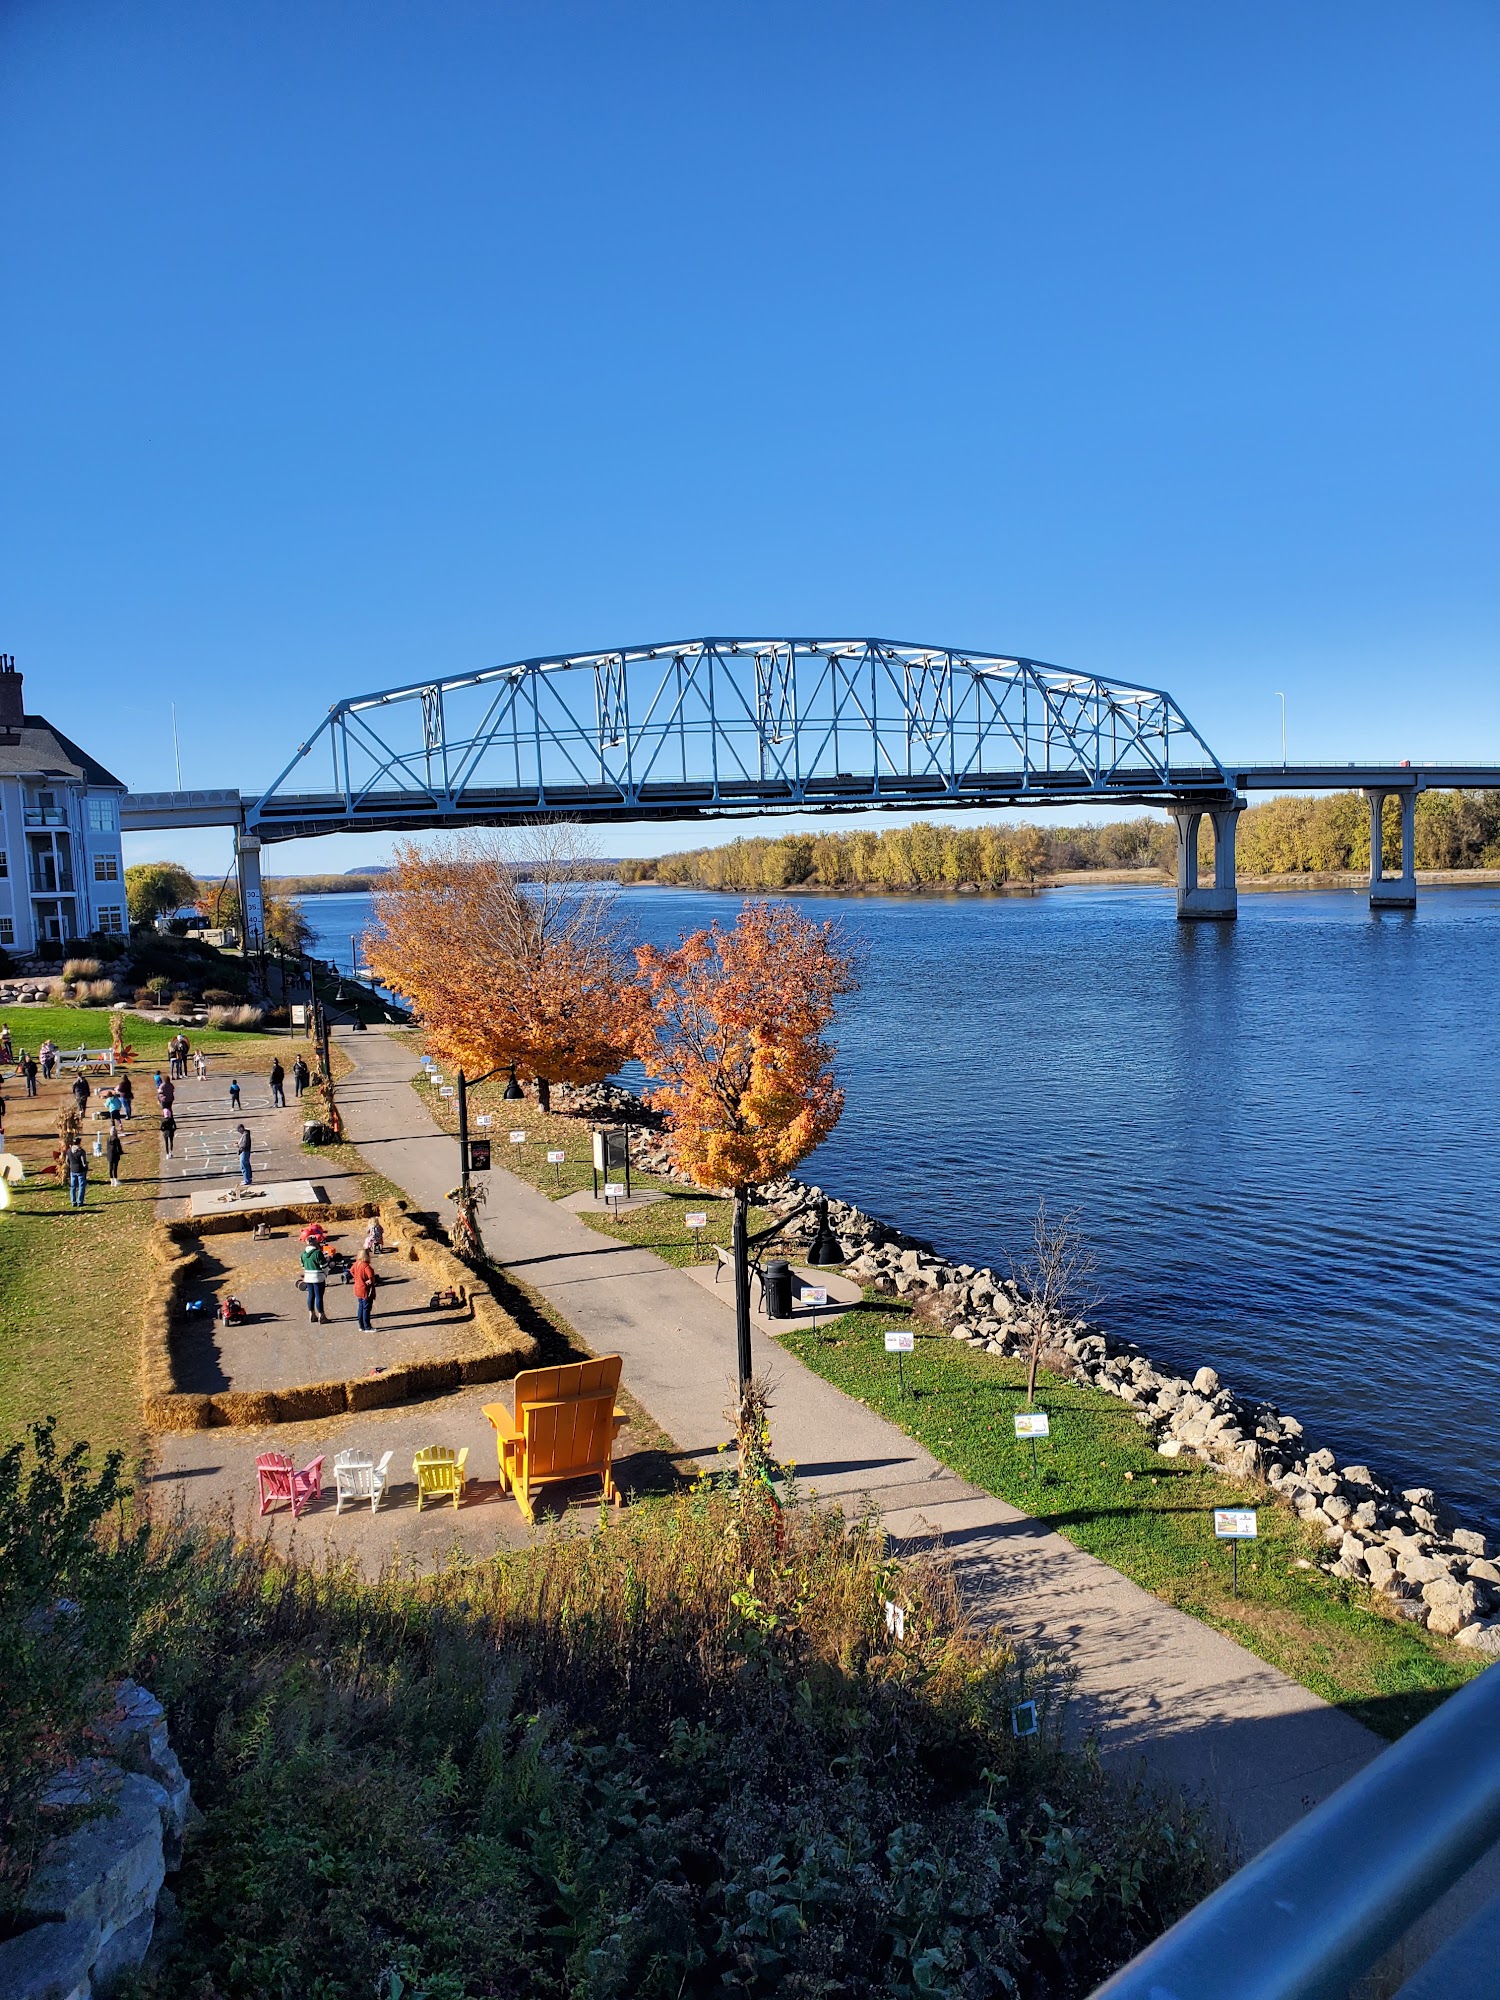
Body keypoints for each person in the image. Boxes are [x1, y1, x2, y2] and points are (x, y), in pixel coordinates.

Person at [300, 1239, 329, 1324]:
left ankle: (312, 1314)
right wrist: (325, 1274)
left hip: (308, 1277)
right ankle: (321, 1315)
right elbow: (324, 1266)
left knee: (311, 1295)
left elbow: (303, 1265)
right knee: (319, 1296)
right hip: (318, 1277)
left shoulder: (303, 1254)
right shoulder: (317, 1253)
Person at [350, 1249, 377, 1332]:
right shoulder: (366, 1266)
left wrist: (356, 1278)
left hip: (358, 1288)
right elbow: (371, 1276)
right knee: (366, 1308)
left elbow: (351, 1271)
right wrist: (370, 1281)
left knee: (361, 1307)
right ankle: (367, 1327)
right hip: (365, 1289)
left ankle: (361, 1326)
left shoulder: (356, 1264)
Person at [64, 1136, 88, 1209]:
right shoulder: (81, 1151)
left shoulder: (69, 1151)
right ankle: (80, 1202)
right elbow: (84, 1163)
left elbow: (67, 1161)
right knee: (81, 1186)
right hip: (80, 1170)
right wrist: (86, 1167)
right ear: (79, 1143)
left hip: (73, 1170)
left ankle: (73, 1201)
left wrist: (71, 1166)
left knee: (73, 1186)